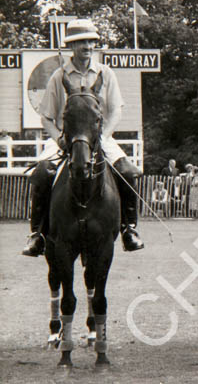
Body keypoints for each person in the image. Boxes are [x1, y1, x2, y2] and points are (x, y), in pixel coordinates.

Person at [22, 18, 144, 257]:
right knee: (42, 172)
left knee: (128, 172)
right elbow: (46, 117)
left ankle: (129, 229)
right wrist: (59, 139)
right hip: (66, 139)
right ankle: (37, 233)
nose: (87, 45)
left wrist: (104, 136)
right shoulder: (58, 76)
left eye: (90, 41)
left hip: (100, 138)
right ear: (72, 47)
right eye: (81, 42)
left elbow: (116, 111)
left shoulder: (105, 74)